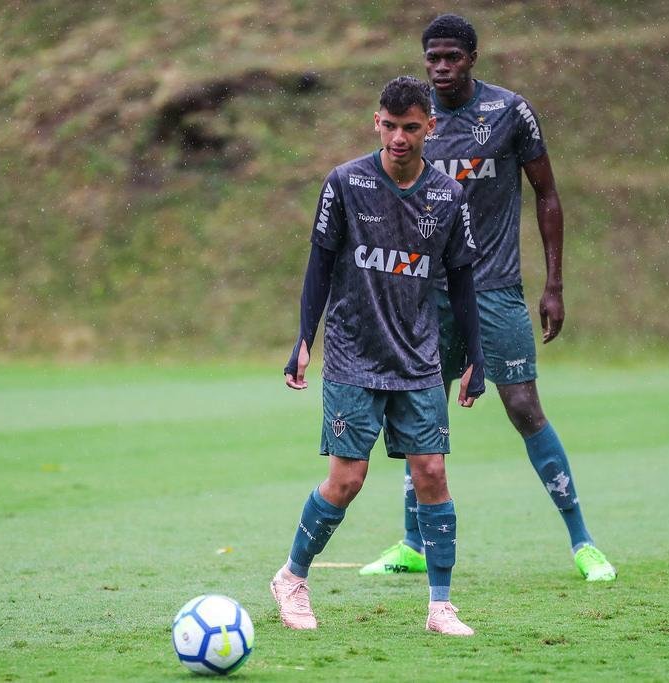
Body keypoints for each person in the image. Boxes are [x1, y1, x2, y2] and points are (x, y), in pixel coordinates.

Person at [359, 14, 616, 583]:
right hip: (427, 297)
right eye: (433, 58)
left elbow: (547, 193)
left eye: (452, 57)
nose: (441, 67)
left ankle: (583, 542)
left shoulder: (509, 112)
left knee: (523, 407)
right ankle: (414, 544)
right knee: (421, 411)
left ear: (472, 58)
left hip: (494, 289)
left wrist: (554, 285)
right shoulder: (414, 120)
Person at [270, 75, 486, 637]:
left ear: (430, 127)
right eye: (389, 126)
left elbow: (462, 280)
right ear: (376, 122)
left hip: (418, 357)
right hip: (353, 353)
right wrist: (304, 338)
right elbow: (319, 264)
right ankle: (292, 577)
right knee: (347, 480)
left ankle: (441, 606)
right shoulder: (345, 183)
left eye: (410, 127)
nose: (398, 138)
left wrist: (475, 356)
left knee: (432, 472)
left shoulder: (448, 196)